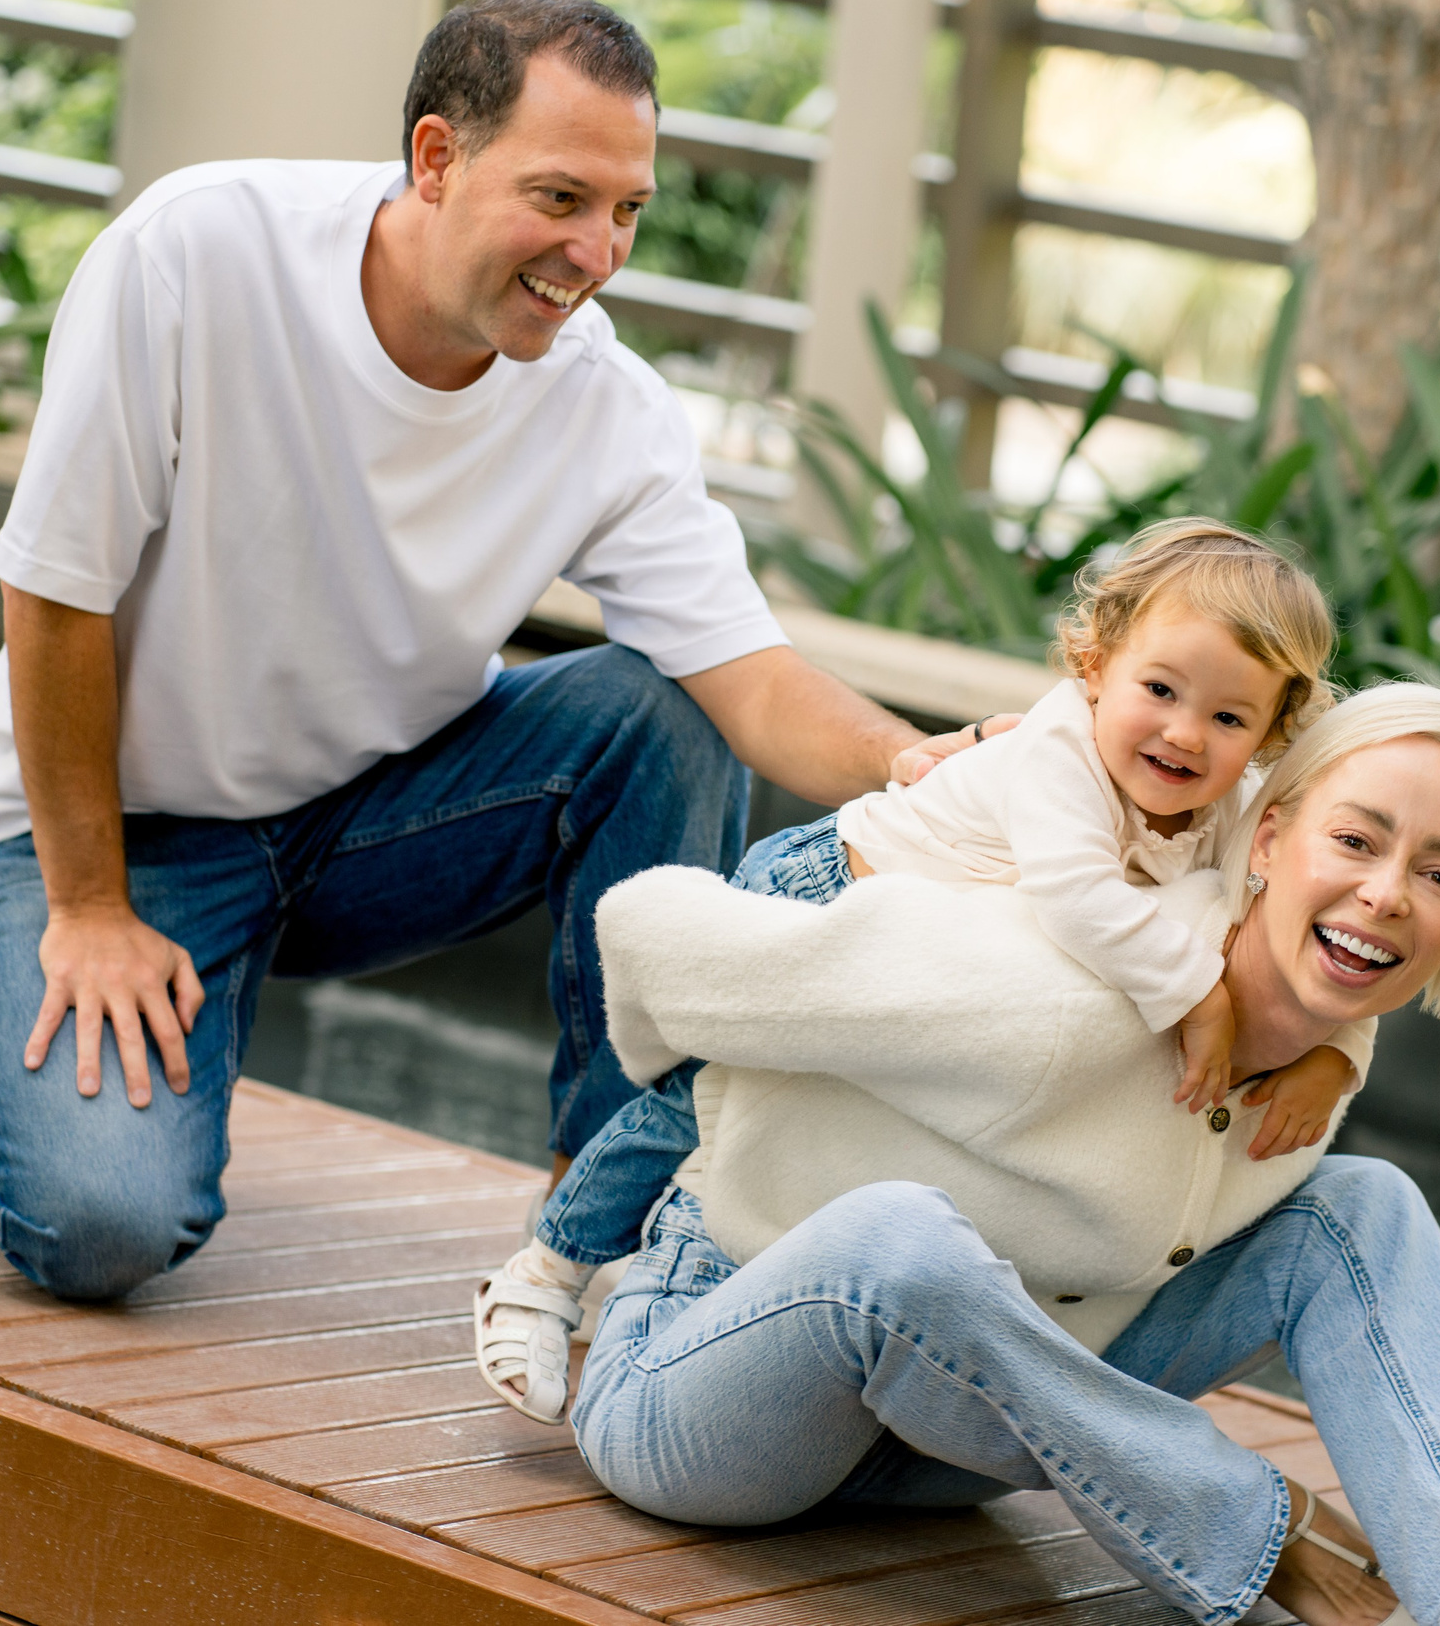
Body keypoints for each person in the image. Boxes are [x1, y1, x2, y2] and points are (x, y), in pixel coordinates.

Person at [0, 0, 992, 1303]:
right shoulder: (194, 256)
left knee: (651, 710)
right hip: (108, 829)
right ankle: (68, 997)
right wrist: (91, 906)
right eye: (563, 199)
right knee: (98, 1225)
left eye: (627, 210)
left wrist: (931, 771)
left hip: (358, 824)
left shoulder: (607, 406)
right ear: (435, 158)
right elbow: (54, 594)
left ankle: (602, 1221)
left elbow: (755, 682)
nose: (598, 249)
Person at [573, 683, 1440, 1626]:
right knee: (899, 1237)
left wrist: (1335, 1053)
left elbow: (1338, 987)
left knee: (1360, 1210)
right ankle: (1265, 1532)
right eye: (1356, 842)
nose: (1388, 894)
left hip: (948, 1449)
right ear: (1266, 840)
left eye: (1439, 875)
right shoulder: (1063, 981)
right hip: (706, 1394)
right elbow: (662, 949)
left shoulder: (1317, 1046)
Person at [474, 518, 1376, 1421]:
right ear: (1094, 665)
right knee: (695, 1099)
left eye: (1227, 717)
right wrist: (1200, 994)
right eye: (1160, 688)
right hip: (828, 893)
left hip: (923, 963)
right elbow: (1075, 893)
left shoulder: (1228, 806)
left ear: (1271, 730)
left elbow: (1301, 913)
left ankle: (689, 1275)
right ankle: (544, 1272)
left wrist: (1336, 1052)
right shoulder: (1060, 750)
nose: (1185, 733)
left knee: (814, 1124)